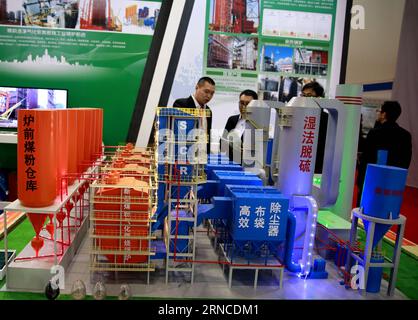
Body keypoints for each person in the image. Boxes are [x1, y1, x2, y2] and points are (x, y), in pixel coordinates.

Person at [356, 101, 412, 205]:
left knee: (366, 210)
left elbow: (366, 158)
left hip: (373, 180)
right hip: (393, 183)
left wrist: (360, 181)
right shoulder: (405, 135)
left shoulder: (375, 133)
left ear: (384, 114)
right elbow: (406, 161)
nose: (378, 113)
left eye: (380, 111)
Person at [173, 77, 215, 154]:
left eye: (212, 93)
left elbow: (207, 136)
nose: (209, 96)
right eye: (206, 91)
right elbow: (178, 134)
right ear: (197, 87)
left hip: (202, 156)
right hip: (184, 154)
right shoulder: (181, 104)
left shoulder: (208, 111)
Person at [222, 90, 258, 163]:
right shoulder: (232, 120)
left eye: (248, 104)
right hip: (230, 162)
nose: (244, 107)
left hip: (247, 165)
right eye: (241, 103)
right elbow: (223, 142)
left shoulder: (258, 124)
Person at [301, 81, 326, 174]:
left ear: (319, 98)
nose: (305, 99)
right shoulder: (299, 116)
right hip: (299, 163)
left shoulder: (326, 119)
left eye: (309, 95)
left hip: (317, 166)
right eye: (303, 95)